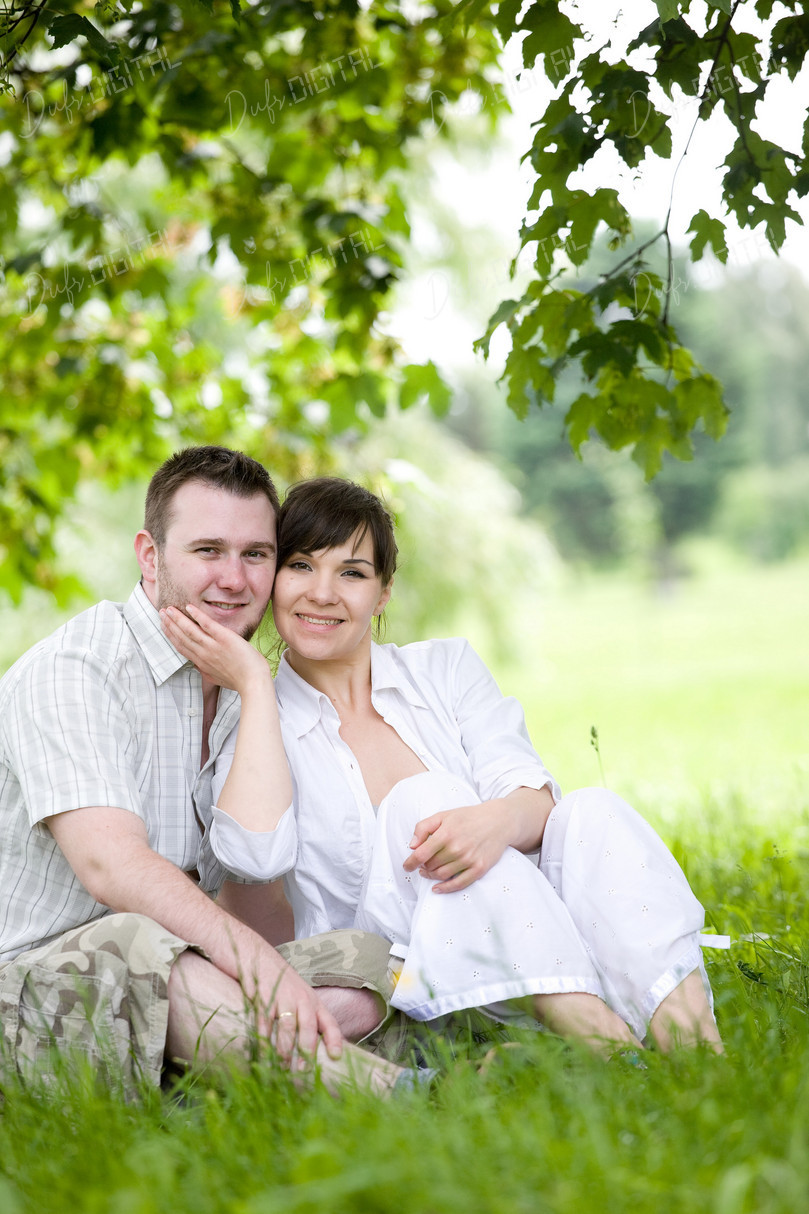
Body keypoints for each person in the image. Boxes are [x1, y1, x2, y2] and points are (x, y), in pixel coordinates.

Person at [197, 476, 722, 1058]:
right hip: (399, 971)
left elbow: (534, 800)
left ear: (384, 591)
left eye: (352, 572)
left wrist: (489, 825)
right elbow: (251, 860)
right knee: (427, 800)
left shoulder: (445, 670)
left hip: (527, 934)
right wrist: (253, 687)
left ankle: (698, 1054)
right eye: (301, 566)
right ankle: (609, 1049)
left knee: (593, 810)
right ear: (273, 580)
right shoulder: (252, 721)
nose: (323, 593)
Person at [0, 447, 412, 1098]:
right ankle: (397, 1099)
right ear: (149, 555)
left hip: (179, 974)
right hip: (28, 987)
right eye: (207, 551)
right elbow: (111, 868)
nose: (234, 578)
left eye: (255, 555)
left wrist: (255, 696)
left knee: (364, 963)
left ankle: (210, 1067)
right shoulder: (75, 671)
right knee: (145, 945)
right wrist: (251, 965)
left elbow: (255, 914)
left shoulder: (245, 689)